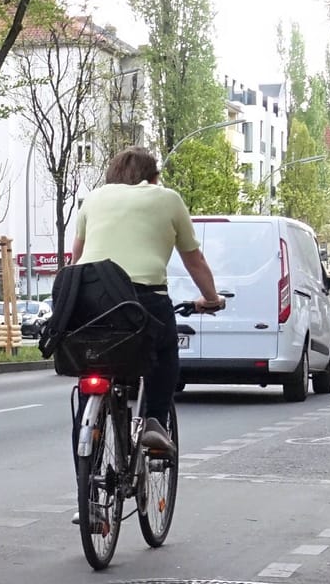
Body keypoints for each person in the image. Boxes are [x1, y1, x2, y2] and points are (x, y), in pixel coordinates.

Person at [66, 147, 224, 456]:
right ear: (154, 178)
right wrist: (211, 298)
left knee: (93, 366)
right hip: (144, 298)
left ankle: (88, 458)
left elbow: (77, 258)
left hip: (90, 297)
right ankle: (154, 420)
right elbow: (195, 261)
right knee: (164, 352)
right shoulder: (167, 199)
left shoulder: (93, 199)